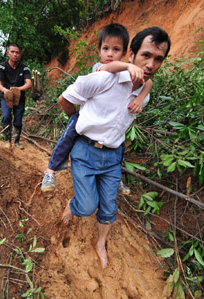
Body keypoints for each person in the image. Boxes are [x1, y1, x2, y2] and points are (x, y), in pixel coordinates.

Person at [60, 27, 171, 269]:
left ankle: (101, 243)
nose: (151, 64)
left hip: (112, 156)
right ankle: (73, 204)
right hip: (85, 151)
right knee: (87, 206)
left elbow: (147, 83)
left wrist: (141, 96)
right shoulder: (103, 77)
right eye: (146, 55)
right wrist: (77, 122)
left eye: (158, 59)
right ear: (131, 54)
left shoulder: (144, 92)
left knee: (109, 207)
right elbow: (65, 99)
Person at [41, 23, 152, 194]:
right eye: (105, 48)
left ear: (124, 53)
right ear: (99, 51)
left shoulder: (126, 74)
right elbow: (112, 67)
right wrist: (129, 66)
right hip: (84, 116)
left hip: (106, 121)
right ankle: (50, 171)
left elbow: (149, 81)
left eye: (116, 49)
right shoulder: (99, 69)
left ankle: (117, 179)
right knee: (66, 140)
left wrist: (140, 97)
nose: (110, 54)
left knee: (118, 143)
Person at [0, 43, 32, 147]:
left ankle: (16, 141)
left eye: (17, 52)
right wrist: (5, 91)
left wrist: (17, 89)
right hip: (6, 97)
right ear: (8, 53)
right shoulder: (2, 67)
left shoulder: (24, 68)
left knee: (18, 120)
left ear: (20, 54)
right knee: (6, 117)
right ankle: (7, 140)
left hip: (20, 98)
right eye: (12, 52)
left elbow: (29, 83)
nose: (15, 54)